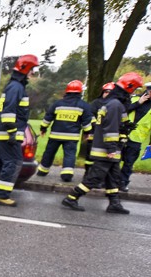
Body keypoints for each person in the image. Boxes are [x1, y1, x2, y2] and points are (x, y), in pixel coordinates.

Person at [61, 72, 144, 215]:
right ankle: (72, 197)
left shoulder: (114, 103)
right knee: (95, 178)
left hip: (110, 149)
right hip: (106, 150)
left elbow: (120, 125)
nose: (135, 92)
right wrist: (112, 148)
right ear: (129, 87)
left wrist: (125, 130)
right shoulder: (115, 104)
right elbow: (110, 128)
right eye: (135, 89)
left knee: (113, 178)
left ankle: (114, 203)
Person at [0, 54, 39, 207]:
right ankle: (1, 195)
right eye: (32, 70)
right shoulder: (16, 87)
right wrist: (12, 132)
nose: (33, 73)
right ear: (25, 68)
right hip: (8, 135)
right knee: (13, 162)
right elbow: (8, 112)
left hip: (2, 135)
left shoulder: (13, 86)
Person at [36, 80, 93, 182]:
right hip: (71, 137)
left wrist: (43, 128)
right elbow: (86, 122)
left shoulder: (57, 104)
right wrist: (87, 133)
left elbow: (48, 118)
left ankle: (42, 171)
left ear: (67, 91)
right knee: (69, 155)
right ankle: (67, 175)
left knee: (49, 153)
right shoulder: (84, 105)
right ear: (80, 92)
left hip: (55, 135)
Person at [118, 81, 151, 191]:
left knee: (129, 162)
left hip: (137, 138)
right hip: (122, 133)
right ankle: (110, 180)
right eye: (150, 90)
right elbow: (122, 111)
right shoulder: (134, 99)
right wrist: (139, 103)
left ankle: (123, 182)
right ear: (147, 90)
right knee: (115, 159)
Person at [83, 82, 114, 178]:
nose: (107, 93)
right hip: (94, 134)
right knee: (90, 156)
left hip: (107, 136)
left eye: (110, 92)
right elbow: (89, 115)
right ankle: (88, 173)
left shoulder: (115, 105)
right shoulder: (96, 103)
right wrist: (96, 124)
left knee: (104, 157)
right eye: (106, 91)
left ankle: (100, 176)